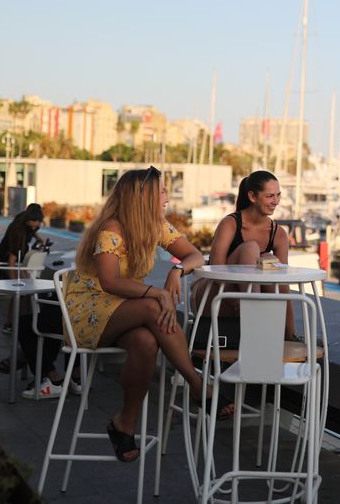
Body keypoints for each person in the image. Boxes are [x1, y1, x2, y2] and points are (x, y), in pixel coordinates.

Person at [65, 166, 229, 463]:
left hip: (125, 310)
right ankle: (196, 383)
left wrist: (178, 270)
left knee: (146, 343)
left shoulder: (155, 225)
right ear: (143, 198)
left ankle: (123, 424)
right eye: (162, 192)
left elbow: (194, 255)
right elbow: (110, 282)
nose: (167, 196)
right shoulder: (111, 230)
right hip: (89, 311)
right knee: (156, 306)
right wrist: (158, 292)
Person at [191, 170, 295, 342]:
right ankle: (253, 313)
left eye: (278, 195)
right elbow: (216, 271)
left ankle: (288, 337)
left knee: (271, 262)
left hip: (248, 301)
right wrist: (240, 301)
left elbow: (281, 287)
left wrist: (291, 335)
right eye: (270, 196)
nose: (275, 202)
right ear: (252, 196)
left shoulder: (278, 234)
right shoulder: (231, 224)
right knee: (250, 249)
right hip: (214, 295)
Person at [0, 203, 47, 332]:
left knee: (28, 286)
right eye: (34, 221)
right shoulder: (18, 232)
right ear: (28, 219)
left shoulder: (27, 220)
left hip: (17, 256)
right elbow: (11, 261)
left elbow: (32, 231)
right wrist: (14, 283)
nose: (36, 225)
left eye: (38, 222)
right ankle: (9, 324)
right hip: (6, 256)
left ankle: (23, 321)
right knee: (21, 291)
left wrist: (40, 239)